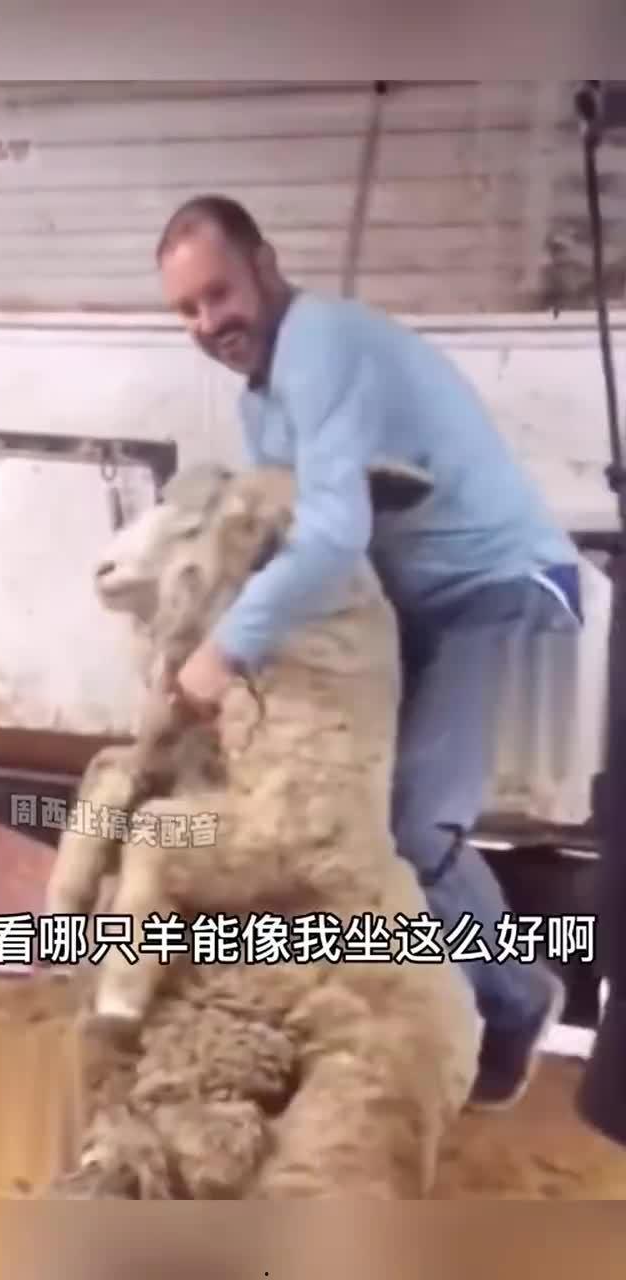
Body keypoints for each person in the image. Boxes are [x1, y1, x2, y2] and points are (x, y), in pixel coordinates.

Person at [155, 193, 581, 1110]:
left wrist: (225, 651)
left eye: (218, 293)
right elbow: (285, 539)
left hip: (497, 587)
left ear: (265, 264)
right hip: (409, 605)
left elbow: (333, 534)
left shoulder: (321, 345)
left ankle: (516, 1001)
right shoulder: (261, 403)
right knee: (340, 815)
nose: (208, 322)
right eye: (186, 310)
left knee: (413, 825)